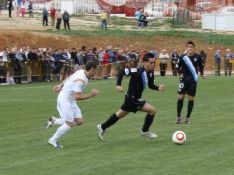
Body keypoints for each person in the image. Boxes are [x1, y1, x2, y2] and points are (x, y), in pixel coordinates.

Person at [96, 52, 165, 141]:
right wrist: (118, 85)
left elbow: (151, 85)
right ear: (145, 62)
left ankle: (102, 126)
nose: (153, 65)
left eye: (154, 63)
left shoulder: (150, 73)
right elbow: (122, 71)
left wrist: (158, 88)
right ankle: (145, 131)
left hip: (132, 99)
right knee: (152, 110)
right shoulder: (137, 71)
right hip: (132, 99)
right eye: (151, 63)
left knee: (119, 115)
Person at [45, 61, 99, 148]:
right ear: (92, 69)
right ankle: (53, 140)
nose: (96, 72)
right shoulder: (80, 81)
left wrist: (60, 85)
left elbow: (70, 77)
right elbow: (77, 96)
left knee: (79, 121)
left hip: (71, 100)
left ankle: (54, 121)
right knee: (70, 124)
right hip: (65, 100)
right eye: (96, 70)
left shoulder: (81, 71)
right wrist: (91, 95)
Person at [175, 41, 205, 124]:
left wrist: (202, 74)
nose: (190, 48)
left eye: (191, 47)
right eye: (188, 47)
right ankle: (178, 116)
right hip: (183, 79)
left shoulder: (197, 57)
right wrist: (180, 73)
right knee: (181, 97)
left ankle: (187, 117)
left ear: (193, 48)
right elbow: (177, 66)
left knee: (191, 98)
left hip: (193, 80)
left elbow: (201, 66)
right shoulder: (182, 57)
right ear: (186, 48)